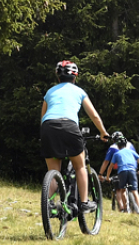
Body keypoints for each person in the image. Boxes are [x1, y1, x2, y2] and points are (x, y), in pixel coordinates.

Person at [40, 60, 109, 214]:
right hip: (69, 127)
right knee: (80, 166)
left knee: (53, 172)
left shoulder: (49, 92)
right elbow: (95, 116)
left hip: (48, 128)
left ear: (58, 77)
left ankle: (49, 205)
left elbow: (43, 117)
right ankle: (84, 203)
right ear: (75, 77)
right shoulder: (79, 91)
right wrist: (103, 132)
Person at [99, 131, 139, 214]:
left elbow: (107, 162)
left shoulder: (113, 147)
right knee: (135, 190)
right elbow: (138, 160)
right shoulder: (130, 145)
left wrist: (101, 174)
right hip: (133, 169)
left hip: (120, 169)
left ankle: (123, 208)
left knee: (119, 189)